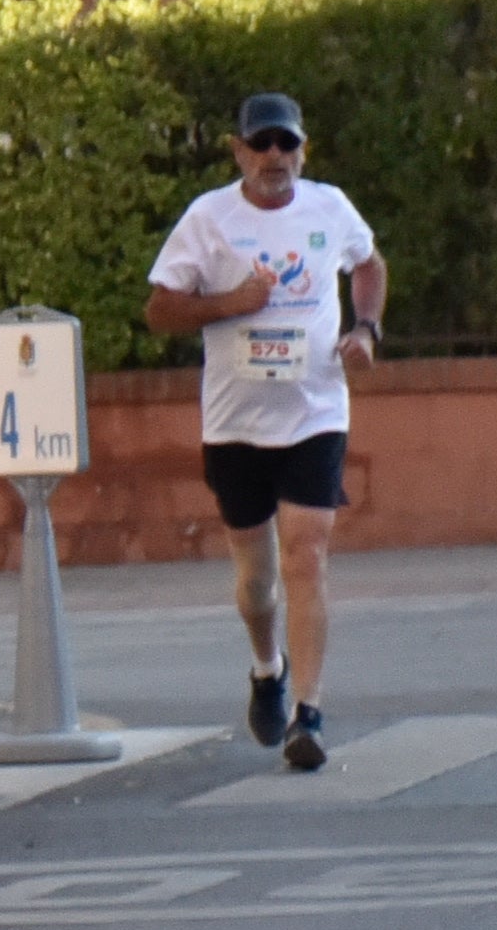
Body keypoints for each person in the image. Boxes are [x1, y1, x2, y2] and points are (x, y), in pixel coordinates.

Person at [145, 93, 388, 772]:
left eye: (287, 144)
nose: (274, 157)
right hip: (234, 423)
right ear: (238, 151)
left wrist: (363, 329)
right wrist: (230, 304)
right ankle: (265, 666)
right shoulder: (208, 219)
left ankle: (307, 715)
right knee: (256, 581)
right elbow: (158, 310)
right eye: (262, 145)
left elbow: (368, 264)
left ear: (302, 150)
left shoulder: (329, 208)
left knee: (305, 554)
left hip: (314, 410)